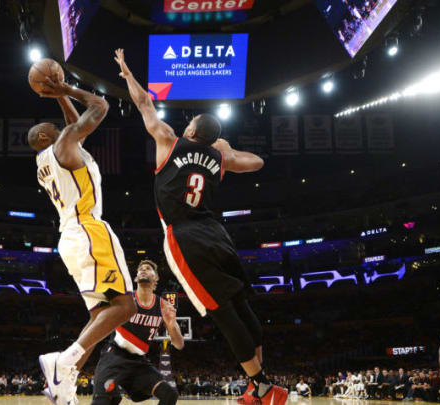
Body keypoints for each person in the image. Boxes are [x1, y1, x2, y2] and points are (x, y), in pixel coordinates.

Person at [113, 49, 284, 405]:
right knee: (239, 303)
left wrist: (127, 73)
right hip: (218, 235)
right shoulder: (220, 157)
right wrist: (226, 148)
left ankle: (263, 387)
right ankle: (258, 387)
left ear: (190, 130)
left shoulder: (168, 140)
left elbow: (144, 103)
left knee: (221, 313)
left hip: (186, 236)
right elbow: (257, 163)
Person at [28, 69, 137, 405]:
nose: (64, 129)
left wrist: (59, 96)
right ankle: (63, 361)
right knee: (125, 305)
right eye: (57, 130)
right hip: (89, 229)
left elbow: (76, 124)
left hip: (71, 238)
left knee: (98, 317)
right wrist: (67, 88)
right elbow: (100, 106)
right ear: (48, 138)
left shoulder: (50, 157)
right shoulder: (62, 145)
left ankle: (65, 380)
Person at [88, 260, 183, 405]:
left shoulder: (163, 305)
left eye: (148, 269)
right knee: (103, 401)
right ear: (135, 278)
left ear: (156, 277)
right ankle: (113, 395)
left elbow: (179, 344)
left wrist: (171, 324)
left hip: (139, 362)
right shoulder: (125, 299)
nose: (143, 270)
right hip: (114, 356)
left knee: (170, 395)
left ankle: (114, 394)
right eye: (140, 269)